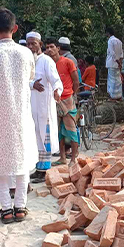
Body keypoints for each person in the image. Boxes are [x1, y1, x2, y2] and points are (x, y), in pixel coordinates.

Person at [0, 8, 37, 224]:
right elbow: (30, 77)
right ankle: (20, 207)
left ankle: (6, 209)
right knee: (22, 158)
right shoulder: (26, 53)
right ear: (16, 28)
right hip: (21, 114)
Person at [26, 32, 63, 183]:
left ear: (40, 45)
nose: (30, 47)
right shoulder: (27, 61)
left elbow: (56, 80)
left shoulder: (46, 61)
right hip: (30, 107)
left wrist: (57, 91)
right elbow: (22, 81)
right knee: (35, 137)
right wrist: (31, 85)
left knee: (44, 136)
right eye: (28, 44)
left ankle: (45, 168)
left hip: (44, 107)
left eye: (33, 43)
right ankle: (38, 168)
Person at [45, 37, 79, 166]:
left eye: (52, 47)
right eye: (47, 47)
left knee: (71, 130)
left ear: (58, 48)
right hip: (53, 100)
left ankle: (73, 159)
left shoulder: (68, 62)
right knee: (58, 130)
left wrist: (71, 94)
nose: (49, 49)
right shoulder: (47, 63)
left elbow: (76, 81)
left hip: (67, 99)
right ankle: (62, 157)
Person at [105, 26, 123, 100]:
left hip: (112, 63)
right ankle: (119, 95)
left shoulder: (110, 41)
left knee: (112, 80)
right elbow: (121, 53)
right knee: (117, 80)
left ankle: (113, 96)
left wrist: (118, 62)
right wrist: (120, 62)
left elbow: (112, 53)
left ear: (108, 33)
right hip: (117, 64)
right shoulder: (119, 41)